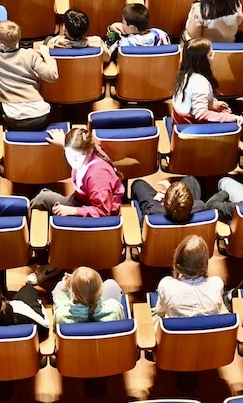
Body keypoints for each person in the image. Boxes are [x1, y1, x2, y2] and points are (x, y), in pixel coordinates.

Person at [28, 126, 125, 283]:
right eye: (68, 154)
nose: (72, 160)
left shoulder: (97, 176)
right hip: (83, 200)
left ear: (87, 152)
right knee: (42, 198)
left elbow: (103, 213)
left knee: (44, 200)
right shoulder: (86, 150)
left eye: (76, 156)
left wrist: (73, 211)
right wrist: (64, 144)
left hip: (95, 213)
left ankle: (49, 264)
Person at [155, 234, 226, 318]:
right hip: (209, 330)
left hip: (177, 330)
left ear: (178, 261)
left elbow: (160, 312)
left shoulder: (166, 285)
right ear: (205, 263)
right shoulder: (216, 284)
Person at [171, 38, 237, 124]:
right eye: (210, 54)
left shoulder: (184, 75)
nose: (214, 54)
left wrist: (212, 105)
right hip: (192, 130)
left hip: (180, 123)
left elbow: (191, 102)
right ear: (202, 62)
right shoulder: (200, 84)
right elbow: (201, 114)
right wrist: (231, 117)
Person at [52, 267, 125, 323]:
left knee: (59, 285)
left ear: (73, 294)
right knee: (111, 283)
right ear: (101, 291)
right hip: (109, 342)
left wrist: (63, 292)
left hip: (75, 343)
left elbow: (56, 329)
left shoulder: (61, 315)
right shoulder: (115, 308)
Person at [106, 3, 170, 59]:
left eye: (123, 22)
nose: (121, 23)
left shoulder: (123, 44)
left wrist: (112, 28)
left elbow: (108, 55)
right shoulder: (161, 35)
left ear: (131, 28)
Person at [131, 177, 207, 223]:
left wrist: (156, 200)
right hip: (188, 241)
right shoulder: (201, 207)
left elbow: (144, 219)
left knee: (138, 184)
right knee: (190, 179)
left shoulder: (153, 212)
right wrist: (171, 191)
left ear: (164, 202)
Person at [42, 9, 109, 60]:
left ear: (65, 29)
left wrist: (56, 41)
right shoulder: (97, 43)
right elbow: (107, 58)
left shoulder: (52, 45)